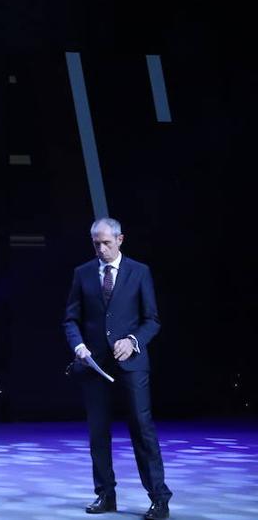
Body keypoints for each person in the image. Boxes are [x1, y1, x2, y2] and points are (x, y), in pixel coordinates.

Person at [64, 217, 172, 519]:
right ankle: (105, 495)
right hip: (94, 365)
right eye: (96, 243)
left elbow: (152, 320)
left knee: (142, 429)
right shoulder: (82, 274)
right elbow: (70, 319)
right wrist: (78, 346)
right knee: (98, 434)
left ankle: (159, 498)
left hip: (132, 364)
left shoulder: (139, 272)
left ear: (120, 240)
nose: (101, 248)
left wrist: (133, 340)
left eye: (106, 243)